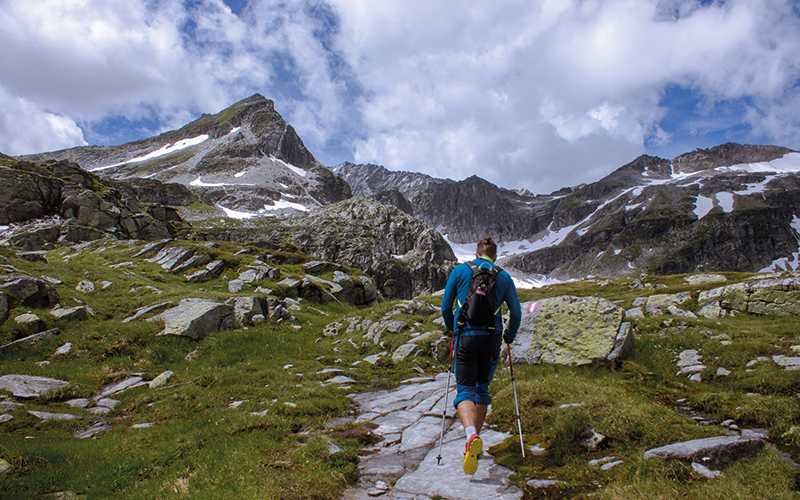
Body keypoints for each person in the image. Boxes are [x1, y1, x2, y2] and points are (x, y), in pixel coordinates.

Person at [440, 236, 522, 475]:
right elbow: (515, 313)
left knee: (464, 389)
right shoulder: (504, 277)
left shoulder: (460, 271)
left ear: (475, 255)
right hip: (492, 338)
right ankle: (473, 444)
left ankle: (470, 436)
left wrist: (451, 326)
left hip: (465, 336)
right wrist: (510, 335)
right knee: (482, 389)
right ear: (495, 257)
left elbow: (446, 306)